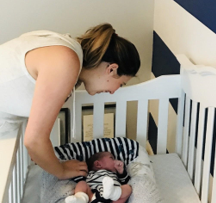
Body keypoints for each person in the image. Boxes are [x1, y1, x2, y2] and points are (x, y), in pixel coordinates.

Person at [0, 24, 140, 180]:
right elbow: (34, 141)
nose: (114, 91)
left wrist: (42, 152)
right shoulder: (66, 61)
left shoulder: (66, 48)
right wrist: (61, 171)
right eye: (121, 84)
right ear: (111, 69)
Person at [65, 150, 132, 203]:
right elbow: (77, 178)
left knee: (128, 188)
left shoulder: (115, 175)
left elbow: (125, 181)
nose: (116, 160)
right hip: (91, 200)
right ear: (98, 164)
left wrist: (121, 172)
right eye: (112, 158)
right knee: (81, 183)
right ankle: (81, 199)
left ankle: (112, 193)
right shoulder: (90, 174)